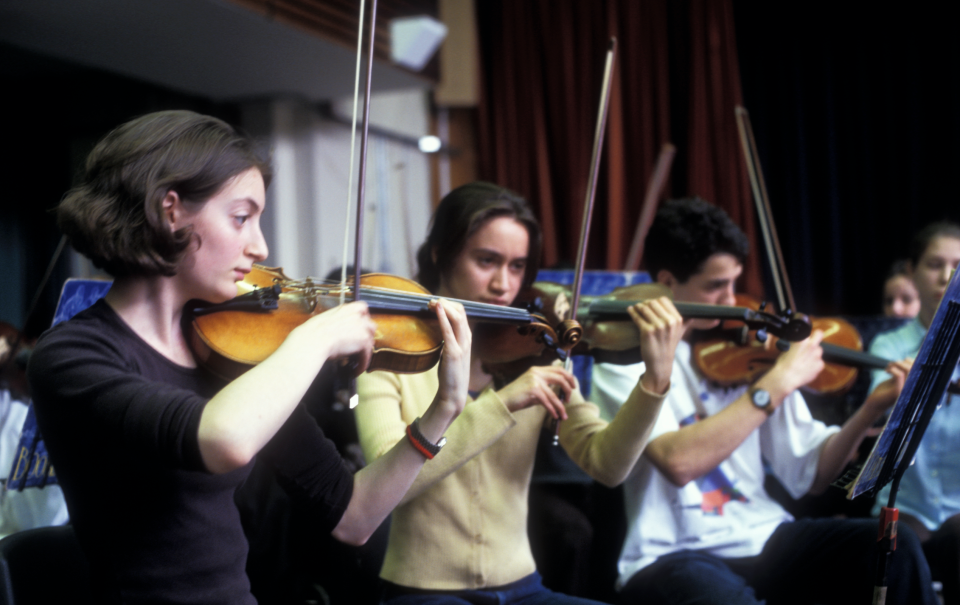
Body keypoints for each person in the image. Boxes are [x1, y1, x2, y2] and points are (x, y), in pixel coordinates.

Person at [25, 110, 472, 604]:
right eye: (241, 217)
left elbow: (355, 517)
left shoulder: (230, 352)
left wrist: (443, 410)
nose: (260, 246)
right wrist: (315, 338)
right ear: (171, 211)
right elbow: (222, 439)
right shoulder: (71, 357)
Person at [592, 197, 936, 605]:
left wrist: (870, 409)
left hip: (762, 533)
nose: (732, 300)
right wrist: (777, 383)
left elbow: (811, 474)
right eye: (715, 286)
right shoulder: (624, 362)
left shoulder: (750, 356)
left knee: (893, 547)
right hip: (670, 552)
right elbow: (678, 463)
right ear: (667, 282)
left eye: (735, 283)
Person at [354, 181, 685, 605]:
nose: (503, 285)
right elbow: (386, 480)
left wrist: (654, 383)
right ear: (441, 253)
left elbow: (607, 464)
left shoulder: (536, 351)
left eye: (517, 267)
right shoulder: (390, 355)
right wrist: (502, 403)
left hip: (525, 589)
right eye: (486, 260)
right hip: (422, 594)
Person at [869, 220, 960, 604]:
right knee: (898, 549)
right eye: (934, 264)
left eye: (957, 266)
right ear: (912, 271)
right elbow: (878, 424)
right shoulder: (888, 345)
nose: (947, 276)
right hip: (904, 505)